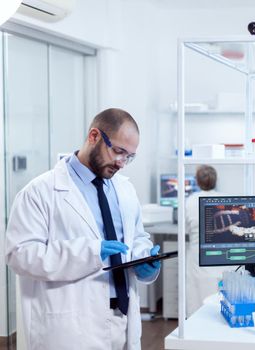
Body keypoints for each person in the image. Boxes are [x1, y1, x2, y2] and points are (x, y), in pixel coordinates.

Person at [5, 108, 160, 350]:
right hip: (71, 327)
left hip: (122, 319)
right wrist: (89, 253)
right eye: (118, 151)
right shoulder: (39, 192)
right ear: (94, 136)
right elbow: (19, 256)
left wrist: (144, 259)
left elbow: (136, 238)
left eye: (129, 157)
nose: (122, 163)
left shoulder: (124, 189)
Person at [185, 165, 232, 315]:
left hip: (199, 258)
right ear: (215, 180)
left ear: (197, 181)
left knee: (197, 302)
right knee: (221, 304)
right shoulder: (225, 198)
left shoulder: (190, 201)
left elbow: (185, 229)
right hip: (222, 258)